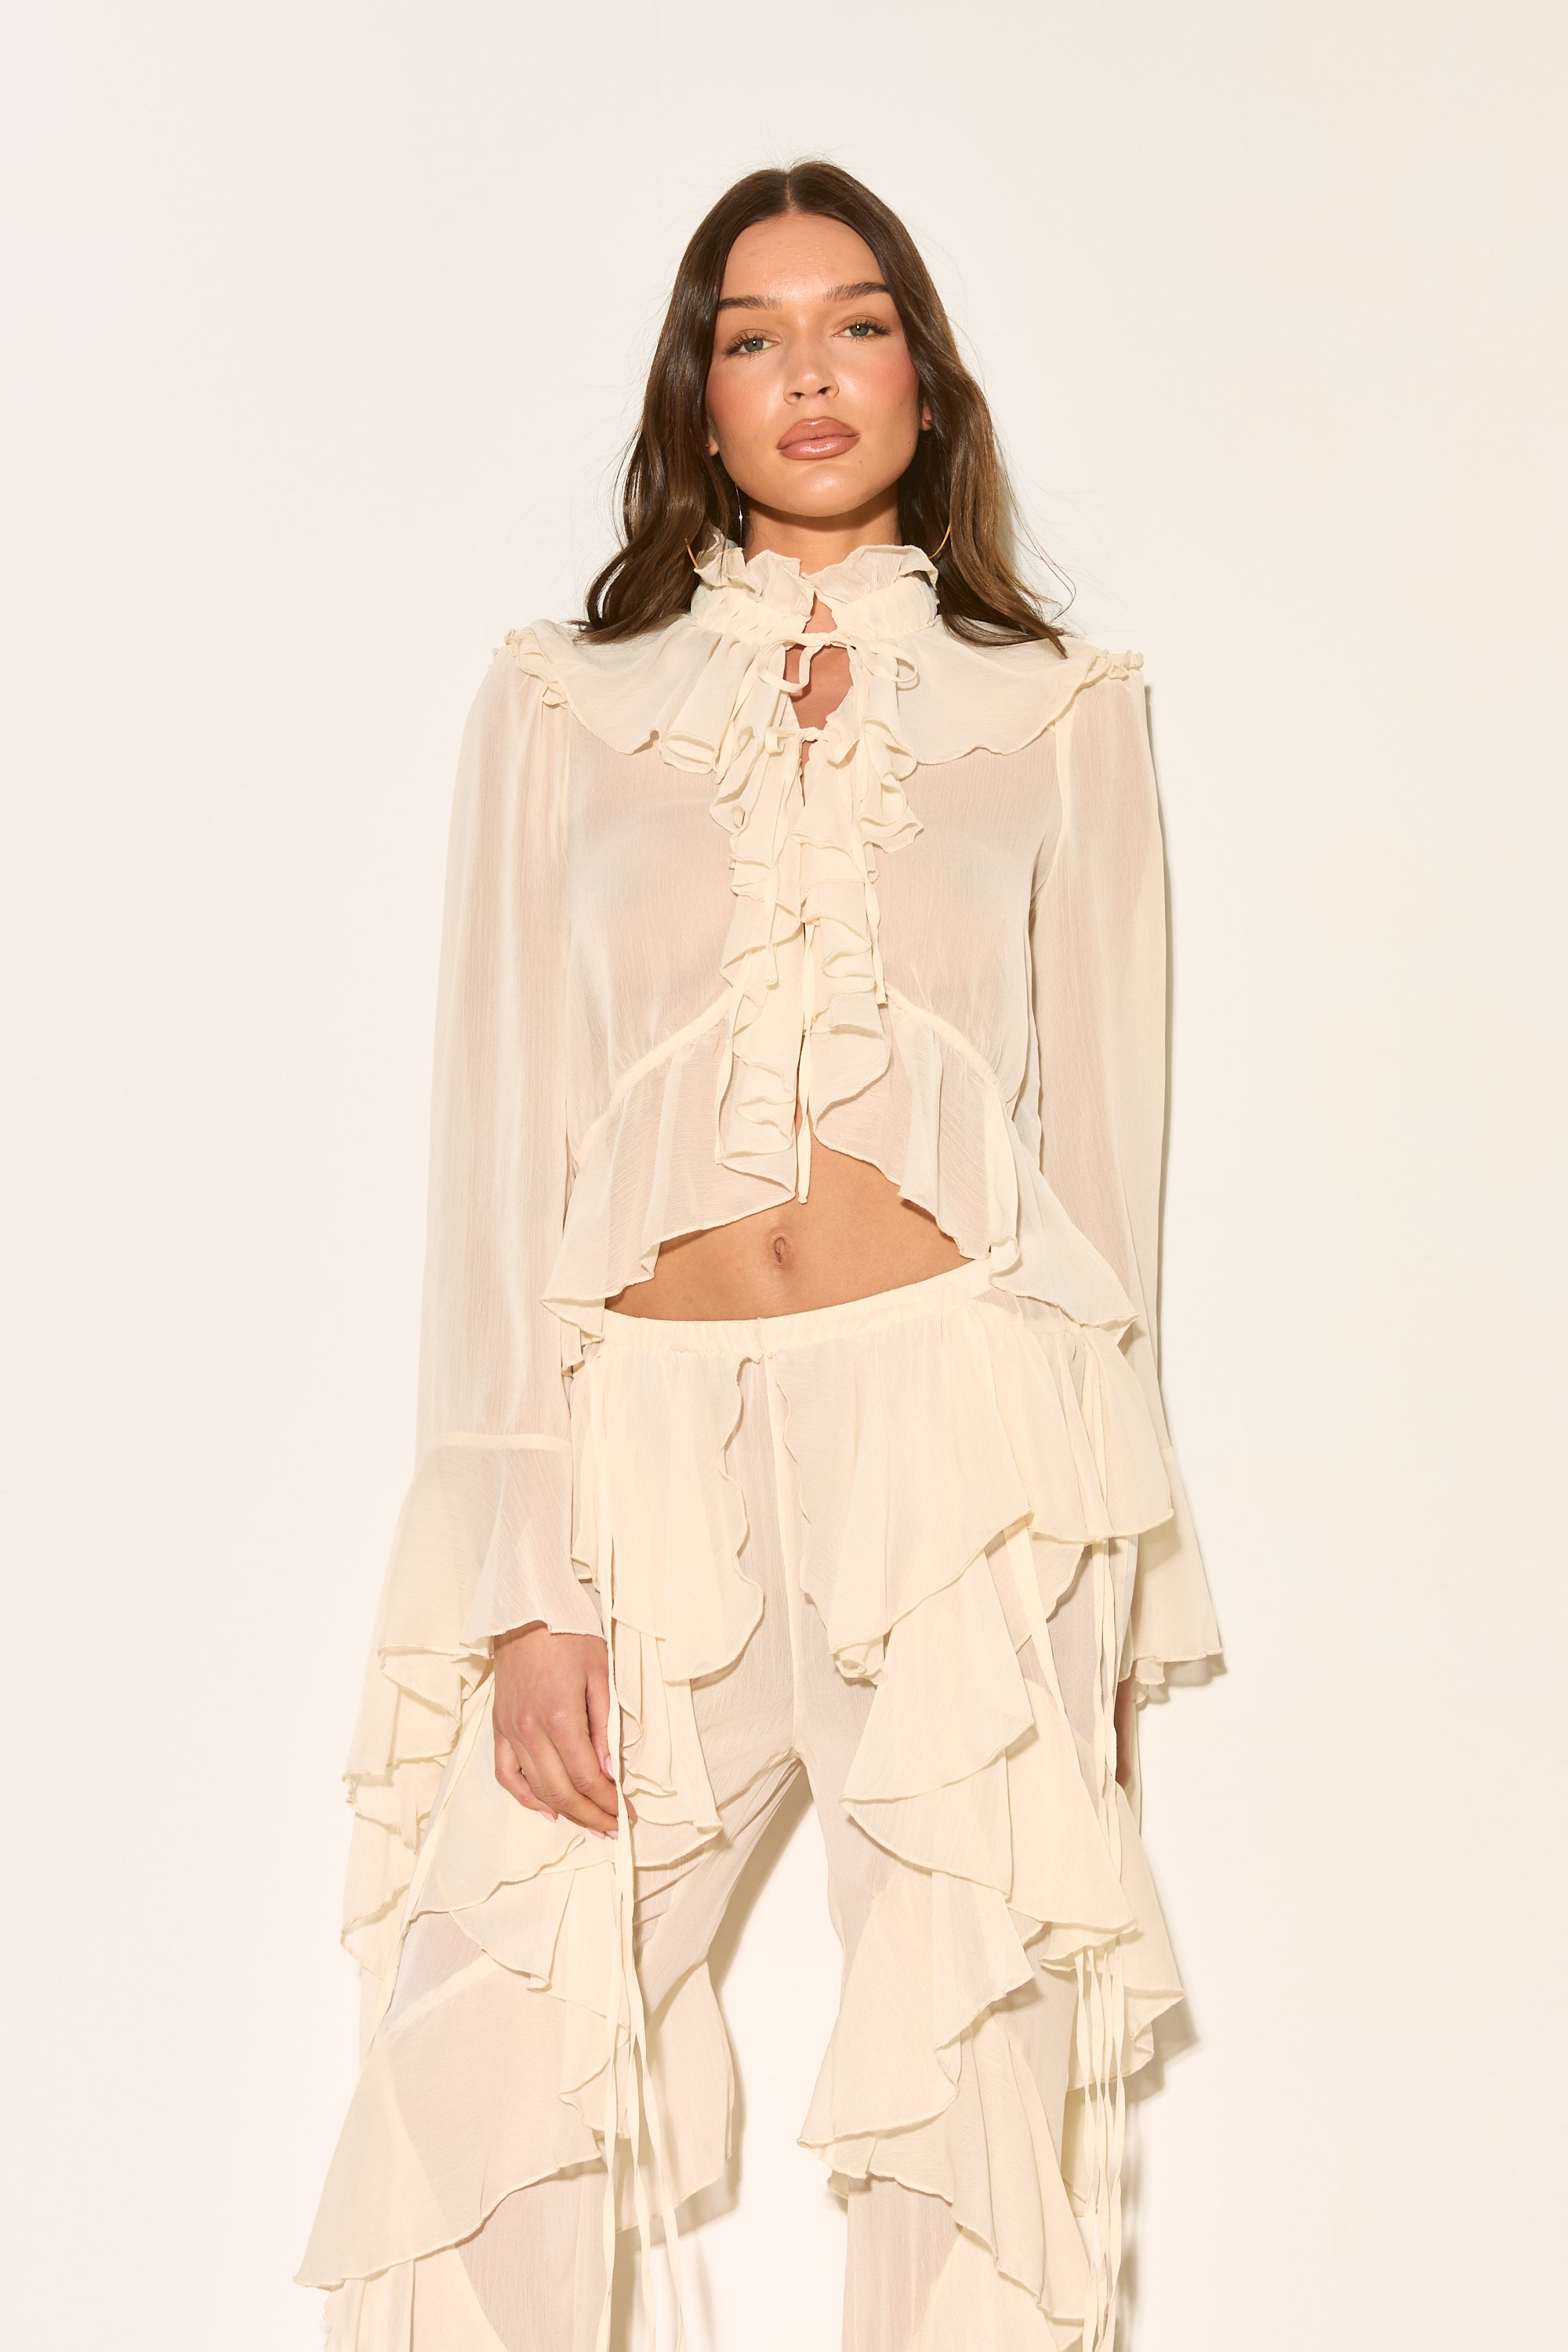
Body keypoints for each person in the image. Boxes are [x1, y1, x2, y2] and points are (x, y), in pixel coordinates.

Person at [296, 158, 1222, 2352]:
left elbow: (1110, 1181)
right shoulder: (563, 706)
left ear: (925, 373)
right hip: (640, 1466)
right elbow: (493, 1140)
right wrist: (527, 1572)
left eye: (857, 321)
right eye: (753, 333)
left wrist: (1102, 1589)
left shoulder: (1060, 711)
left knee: (971, 2084)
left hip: (965, 1454)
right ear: (696, 396)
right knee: (489, 2033)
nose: (811, 372)